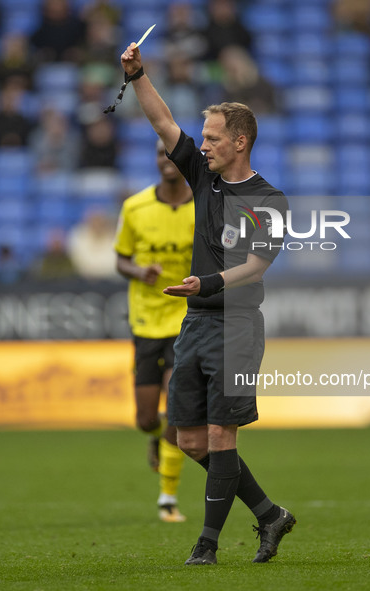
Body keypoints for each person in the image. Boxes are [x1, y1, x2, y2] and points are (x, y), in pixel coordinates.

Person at [118, 38, 294, 565]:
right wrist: (137, 74)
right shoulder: (203, 177)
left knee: (220, 435)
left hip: (237, 325)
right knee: (191, 441)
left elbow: (258, 266)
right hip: (195, 324)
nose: (206, 145)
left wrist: (207, 282)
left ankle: (207, 545)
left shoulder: (270, 200)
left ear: (240, 142)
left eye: (215, 138)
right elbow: (164, 124)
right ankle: (269, 514)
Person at [114, 139, 194, 523]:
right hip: (146, 320)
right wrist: (138, 272)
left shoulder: (205, 206)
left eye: (174, 154)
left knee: (177, 404)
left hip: (187, 319)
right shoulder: (135, 207)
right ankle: (156, 437)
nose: (167, 160)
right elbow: (120, 260)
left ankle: (167, 498)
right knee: (147, 417)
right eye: (162, 154)